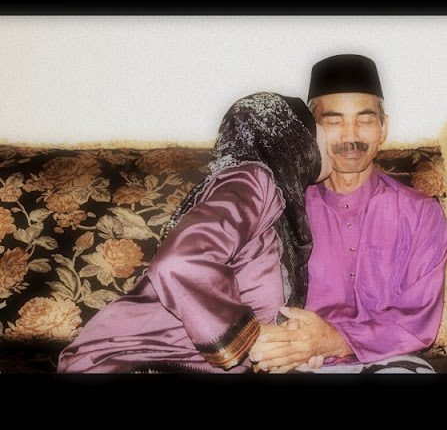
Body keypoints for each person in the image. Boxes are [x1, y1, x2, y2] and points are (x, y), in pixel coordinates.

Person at [56, 92, 332, 373]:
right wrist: (249, 337)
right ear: (296, 140)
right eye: (320, 127)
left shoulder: (271, 201)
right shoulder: (252, 180)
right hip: (124, 362)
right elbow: (180, 262)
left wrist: (287, 350)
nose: (333, 139)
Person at [250, 55, 447, 373]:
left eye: (365, 120)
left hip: (390, 361)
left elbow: (417, 320)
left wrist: (333, 340)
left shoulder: (421, 214)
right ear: (311, 131)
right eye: (334, 121)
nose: (350, 136)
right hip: (298, 362)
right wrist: (287, 342)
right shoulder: (279, 209)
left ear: (383, 127)